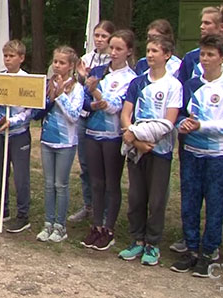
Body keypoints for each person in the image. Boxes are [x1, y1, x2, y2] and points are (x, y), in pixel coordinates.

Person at [172, 5, 223, 254]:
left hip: (218, 154)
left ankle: (209, 250)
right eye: (202, 55)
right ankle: (191, 247)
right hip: (192, 149)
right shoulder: (193, 82)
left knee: (215, 203)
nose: (204, 59)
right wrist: (181, 123)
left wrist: (202, 125)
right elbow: (180, 110)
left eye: (210, 55)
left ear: (222, 58)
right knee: (190, 200)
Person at [117, 35, 182, 267]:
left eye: (155, 50)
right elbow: (126, 114)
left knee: (156, 200)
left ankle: (153, 244)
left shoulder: (174, 85)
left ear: (167, 55)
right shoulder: (137, 82)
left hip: (160, 151)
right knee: (136, 197)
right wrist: (135, 141)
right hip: (137, 150)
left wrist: (137, 135)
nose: (150, 54)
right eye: (148, 50)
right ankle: (137, 239)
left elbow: (169, 122)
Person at [80, 30, 137, 250]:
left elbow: (115, 107)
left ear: (129, 51)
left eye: (119, 49)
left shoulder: (131, 78)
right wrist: (90, 98)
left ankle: (109, 228)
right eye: (111, 48)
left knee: (112, 183)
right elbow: (84, 101)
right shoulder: (98, 71)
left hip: (113, 135)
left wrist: (97, 94)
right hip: (93, 132)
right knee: (96, 181)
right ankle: (96, 225)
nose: (113, 52)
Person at [0, 40, 34, 233]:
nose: (7, 59)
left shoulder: (27, 80)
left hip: (19, 134)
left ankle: (23, 215)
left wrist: (11, 121)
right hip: (1, 134)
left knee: (21, 176)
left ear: (21, 58)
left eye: (11, 56)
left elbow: (30, 110)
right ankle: (2, 209)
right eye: (5, 56)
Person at [34, 46, 84, 243]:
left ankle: (60, 226)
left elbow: (74, 116)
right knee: (48, 185)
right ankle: (48, 222)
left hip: (66, 142)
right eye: (55, 61)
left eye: (62, 63)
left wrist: (61, 96)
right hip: (48, 139)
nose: (57, 65)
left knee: (60, 184)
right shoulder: (48, 84)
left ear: (71, 66)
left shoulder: (77, 89)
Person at [69, 20, 115, 224]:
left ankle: (104, 209)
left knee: (102, 168)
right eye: (97, 35)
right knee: (86, 164)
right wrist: (80, 77)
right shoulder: (86, 58)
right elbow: (77, 86)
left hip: (103, 118)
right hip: (84, 116)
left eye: (104, 36)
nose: (99, 39)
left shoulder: (114, 61)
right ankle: (88, 205)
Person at [177, 5, 223, 89]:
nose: (201, 27)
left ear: (222, 27)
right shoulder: (190, 58)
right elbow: (182, 91)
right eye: (202, 22)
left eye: (207, 23)